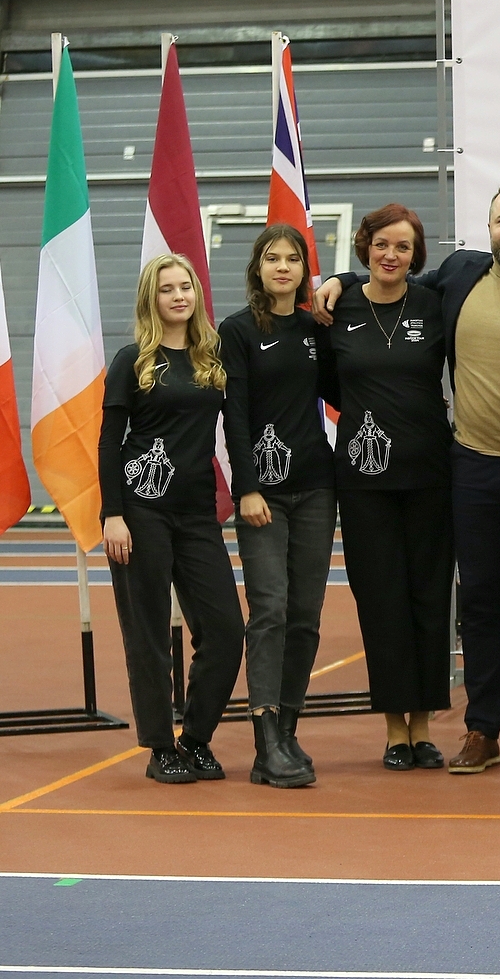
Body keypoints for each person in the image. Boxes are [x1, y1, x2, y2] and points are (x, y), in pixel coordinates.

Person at [315, 183, 500, 773]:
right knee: (479, 607)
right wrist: (339, 279)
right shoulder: (460, 274)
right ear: (488, 229)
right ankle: (482, 731)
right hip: (472, 468)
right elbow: (390, 279)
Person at [100, 253, 244, 785]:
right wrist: (113, 514)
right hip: (141, 513)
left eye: (185, 286)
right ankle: (161, 747)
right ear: (151, 298)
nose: (179, 295)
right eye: (167, 289)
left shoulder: (211, 357)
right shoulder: (132, 361)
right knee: (149, 634)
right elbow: (109, 443)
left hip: (197, 513)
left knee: (226, 631)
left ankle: (196, 739)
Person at [321, 203, 453, 770]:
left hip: (430, 475)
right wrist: (339, 279)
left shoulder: (434, 304)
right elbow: (327, 384)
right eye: (381, 245)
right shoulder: (339, 308)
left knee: (429, 598)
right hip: (364, 481)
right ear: (365, 248)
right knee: (381, 602)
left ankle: (424, 728)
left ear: (416, 254)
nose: (391, 255)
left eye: (403, 247)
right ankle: (395, 730)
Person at [219, 224, 336, 789]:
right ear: (258, 269)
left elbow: (344, 389)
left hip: (316, 487)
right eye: (272, 258)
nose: (283, 267)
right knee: (269, 609)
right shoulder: (238, 330)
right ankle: (265, 740)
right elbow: (235, 415)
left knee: (305, 616)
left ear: (304, 271)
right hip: (263, 494)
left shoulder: (317, 328)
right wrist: (247, 487)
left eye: (292, 259)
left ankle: (288, 731)